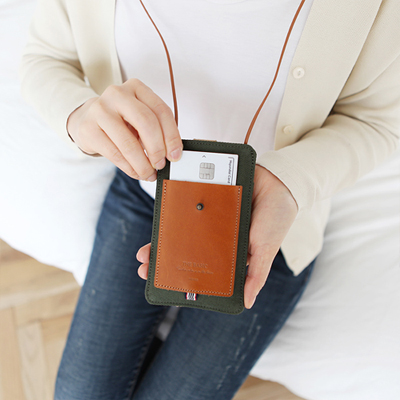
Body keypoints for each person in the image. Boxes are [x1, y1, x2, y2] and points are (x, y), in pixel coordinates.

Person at [20, 0, 400, 399]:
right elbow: (43, 58)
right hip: (148, 195)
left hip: (266, 225)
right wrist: (78, 115)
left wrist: (291, 179)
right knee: (79, 393)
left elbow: (377, 121)